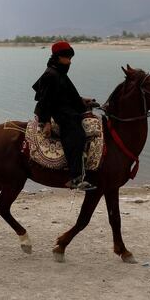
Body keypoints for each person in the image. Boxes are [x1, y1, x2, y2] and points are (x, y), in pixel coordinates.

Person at [32, 40, 97, 191]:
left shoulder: (58, 72)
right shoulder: (51, 75)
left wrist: (82, 101)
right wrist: (46, 121)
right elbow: (45, 100)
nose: (70, 62)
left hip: (65, 108)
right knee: (77, 135)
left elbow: (66, 94)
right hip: (60, 113)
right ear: (59, 57)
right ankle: (75, 178)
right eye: (67, 58)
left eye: (70, 59)